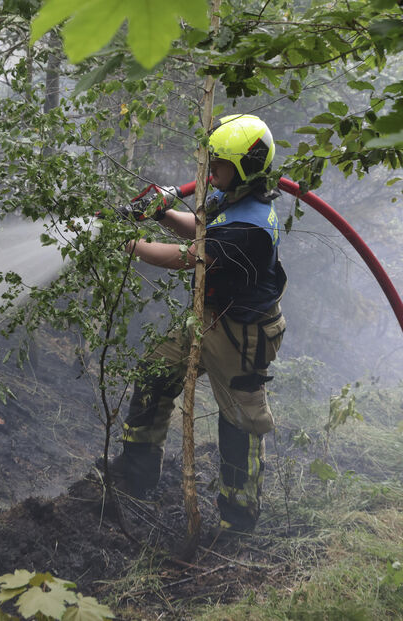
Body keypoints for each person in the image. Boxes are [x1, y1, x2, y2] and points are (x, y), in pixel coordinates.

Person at [107, 114, 287, 534]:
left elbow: (186, 257)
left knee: (241, 421)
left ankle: (237, 521)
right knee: (155, 371)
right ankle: (136, 476)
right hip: (208, 318)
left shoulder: (251, 226)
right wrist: (162, 214)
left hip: (243, 333)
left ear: (244, 167)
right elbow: (202, 229)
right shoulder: (236, 197)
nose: (210, 173)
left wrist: (126, 243)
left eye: (218, 165)